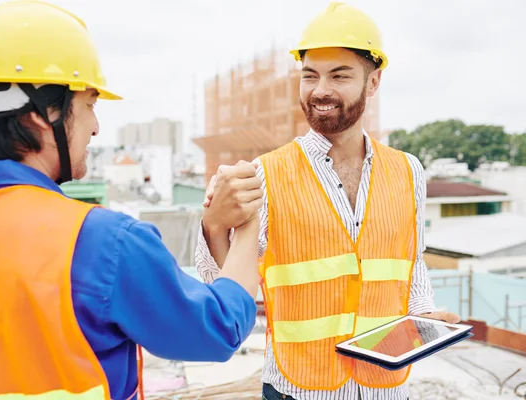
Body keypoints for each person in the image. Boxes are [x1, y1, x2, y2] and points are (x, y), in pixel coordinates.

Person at [0, 1, 263, 400]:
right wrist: (247, 228)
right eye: (89, 105)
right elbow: (217, 329)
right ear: (41, 114)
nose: (97, 127)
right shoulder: (101, 241)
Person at [196, 2, 461, 400]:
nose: (320, 90)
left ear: (373, 82)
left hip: (385, 387)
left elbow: (412, 262)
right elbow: (222, 288)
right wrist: (214, 226)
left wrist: (423, 317)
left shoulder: (409, 171)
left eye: (339, 75)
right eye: (310, 76)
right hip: (298, 387)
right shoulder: (265, 174)